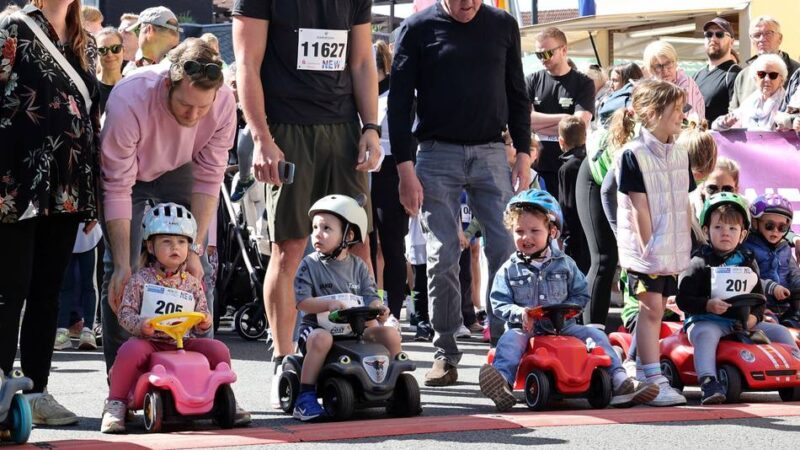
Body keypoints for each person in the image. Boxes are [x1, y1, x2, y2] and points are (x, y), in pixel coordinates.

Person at [232, 0, 382, 406]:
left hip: (343, 128)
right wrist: (262, 138)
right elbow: (246, 64)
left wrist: (371, 127)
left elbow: (363, 61)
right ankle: (283, 357)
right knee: (291, 246)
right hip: (286, 128)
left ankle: (368, 345)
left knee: (359, 242)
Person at [388, 0, 532, 386]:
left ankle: (506, 350)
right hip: (436, 153)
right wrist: (404, 167)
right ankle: (445, 351)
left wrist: (524, 152)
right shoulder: (417, 28)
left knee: (506, 247)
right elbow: (399, 103)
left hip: (490, 150)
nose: (468, 3)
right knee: (442, 254)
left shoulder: (502, 24)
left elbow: (517, 91)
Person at [100, 39, 236, 375]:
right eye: (186, 105)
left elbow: (209, 180)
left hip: (182, 167)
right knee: (124, 271)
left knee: (196, 265)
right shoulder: (130, 96)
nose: (193, 116)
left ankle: (198, 373)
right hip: (129, 173)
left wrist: (196, 245)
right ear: (167, 84)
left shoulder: (224, 102)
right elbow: (117, 186)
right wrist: (122, 264)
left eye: (202, 108)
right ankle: (121, 384)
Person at [0, 0, 100, 426]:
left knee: (47, 293)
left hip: (68, 185)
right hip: (15, 182)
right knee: (9, 290)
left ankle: (37, 391)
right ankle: (1, 384)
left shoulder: (86, 42)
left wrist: (93, 191)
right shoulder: (11, 27)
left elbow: (92, 118)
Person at [478, 189, 658, 411]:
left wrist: (571, 310)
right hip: (526, 328)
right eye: (519, 231)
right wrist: (520, 313)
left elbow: (581, 293)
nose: (526, 237)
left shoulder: (565, 265)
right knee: (510, 341)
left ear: (552, 232)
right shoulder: (508, 269)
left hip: (564, 327)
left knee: (595, 334)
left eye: (535, 230)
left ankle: (620, 381)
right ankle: (502, 384)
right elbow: (498, 301)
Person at [100, 203, 229, 433]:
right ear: (151, 246)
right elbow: (125, 313)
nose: (175, 248)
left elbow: (202, 312)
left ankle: (224, 395)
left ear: (189, 247)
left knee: (218, 349)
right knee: (130, 350)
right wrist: (140, 324)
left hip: (182, 341)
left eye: (181, 242)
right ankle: (116, 402)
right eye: (167, 242)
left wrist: (204, 321)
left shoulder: (191, 282)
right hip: (151, 342)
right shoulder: (141, 280)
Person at [677, 193, 800, 404]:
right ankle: (709, 381)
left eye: (732, 229)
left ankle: (795, 373)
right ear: (706, 231)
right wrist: (707, 305)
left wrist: (754, 317)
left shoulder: (747, 260)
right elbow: (683, 299)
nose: (726, 233)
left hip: (742, 320)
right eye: (719, 228)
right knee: (705, 334)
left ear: (743, 234)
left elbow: (759, 298)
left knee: (780, 331)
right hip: (706, 320)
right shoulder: (698, 261)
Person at [615, 79, 694, 406]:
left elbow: (684, 200)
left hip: (670, 247)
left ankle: (642, 370)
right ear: (652, 112)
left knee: (659, 309)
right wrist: (650, 249)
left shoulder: (679, 152)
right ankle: (653, 374)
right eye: (675, 109)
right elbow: (638, 206)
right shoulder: (633, 154)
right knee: (650, 310)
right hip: (647, 251)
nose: (681, 114)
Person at [293, 195, 401, 421]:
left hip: (353, 330)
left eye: (326, 228)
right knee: (322, 339)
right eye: (314, 227)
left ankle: (393, 385)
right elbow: (302, 302)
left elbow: (370, 296)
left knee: (389, 334)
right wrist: (328, 304)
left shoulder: (359, 266)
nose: (317, 234)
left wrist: (378, 307)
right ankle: (305, 398)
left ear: (348, 235)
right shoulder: (310, 265)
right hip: (315, 329)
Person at [527, 26, 594, 199]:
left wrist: (539, 125)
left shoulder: (583, 83)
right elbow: (525, 119)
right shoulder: (532, 80)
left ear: (564, 50)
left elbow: (577, 126)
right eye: (539, 55)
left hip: (571, 163)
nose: (543, 59)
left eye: (548, 53)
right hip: (539, 163)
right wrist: (564, 118)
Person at [369, 39, 409, 320]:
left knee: (393, 244)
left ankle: (394, 310)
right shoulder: (359, 94)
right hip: (362, 172)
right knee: (365, 244)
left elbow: (409, 138)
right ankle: (370, 307)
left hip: (391, 171)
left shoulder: (397, 94)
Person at [743, 194, 800, 323]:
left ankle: (793, 320)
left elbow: (794, 274)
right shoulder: (747, 247)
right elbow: (746, 277)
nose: (775, 231)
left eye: (782, 228)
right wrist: (771, 287)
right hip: (761, 307)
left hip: (787, 307)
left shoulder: (784, 247)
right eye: (769, 226)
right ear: (755, 223)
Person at [730, 16, 800, 109]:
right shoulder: (743, 76)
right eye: (757, 35)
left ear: (780, 38)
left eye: (768, 33)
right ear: (751, 40)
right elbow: (734, 113)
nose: (762, 39)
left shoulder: (796, 72)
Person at [54, 223, 103, 351]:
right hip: (65, 225)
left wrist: (95, 217)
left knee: (89, 283)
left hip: (89, 228)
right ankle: (62, 329)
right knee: (65, 284)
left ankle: (88, 329)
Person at [712, 54, 787, 131]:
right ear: (755, 79)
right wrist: (725, 123)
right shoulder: (750, 103)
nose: (767, 79)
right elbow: (717, 126)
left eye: (773, 75)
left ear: (781, 80)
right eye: (761, 74)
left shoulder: (788, 104)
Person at [556, 116, 589, 273]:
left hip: (574, 232)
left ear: (561, 141)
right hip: (590, 225)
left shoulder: (566, 168)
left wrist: (562, 233)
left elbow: (565, 203)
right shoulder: (590, 161)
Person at [693, 18, 742, 123]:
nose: (713, 39)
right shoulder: (697, 75)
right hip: (696, 137)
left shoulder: (735, 75)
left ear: (732, 41)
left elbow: (738, 117)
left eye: (719, 34)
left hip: (721, 139)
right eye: (709, 34)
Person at [642, 41, 705, 119]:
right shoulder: (649, 88)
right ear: (651, 69)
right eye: (658, 66)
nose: (665, 70)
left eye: (668, 64)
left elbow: (686, 120)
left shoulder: (686, 84)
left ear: (675, 63)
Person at [123, 6, 180, 71]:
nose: (137, 37)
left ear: (149, 30)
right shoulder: (187, 65)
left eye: (137, 30)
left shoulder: (177, 69)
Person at [596, 63, 644, 127]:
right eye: (611, 80)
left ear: (628, 81)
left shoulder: (631, 103)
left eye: (615, 80)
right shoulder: (607, 98)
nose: (611, 85)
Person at [95, 27, 124, 114]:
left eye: (115, 48)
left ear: (123, 51)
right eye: (102, 50)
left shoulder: (132, 86)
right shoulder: (90, 88)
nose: (110, 54)